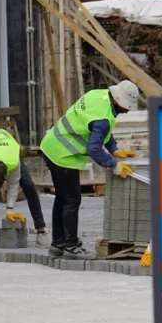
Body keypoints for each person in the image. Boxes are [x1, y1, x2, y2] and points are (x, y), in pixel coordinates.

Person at [39, 80, 140, 259]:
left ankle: (58, 244)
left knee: (62, 199)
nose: (127, 111)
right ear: (118, 101)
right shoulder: (104, 118)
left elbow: (101, 132)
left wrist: (114, 149)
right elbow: (94, 148)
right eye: (126, 107)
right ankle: (70, 247)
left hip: (51, 145)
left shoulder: (97, 95)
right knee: (72, 200)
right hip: (63, 154)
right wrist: (113, 164)